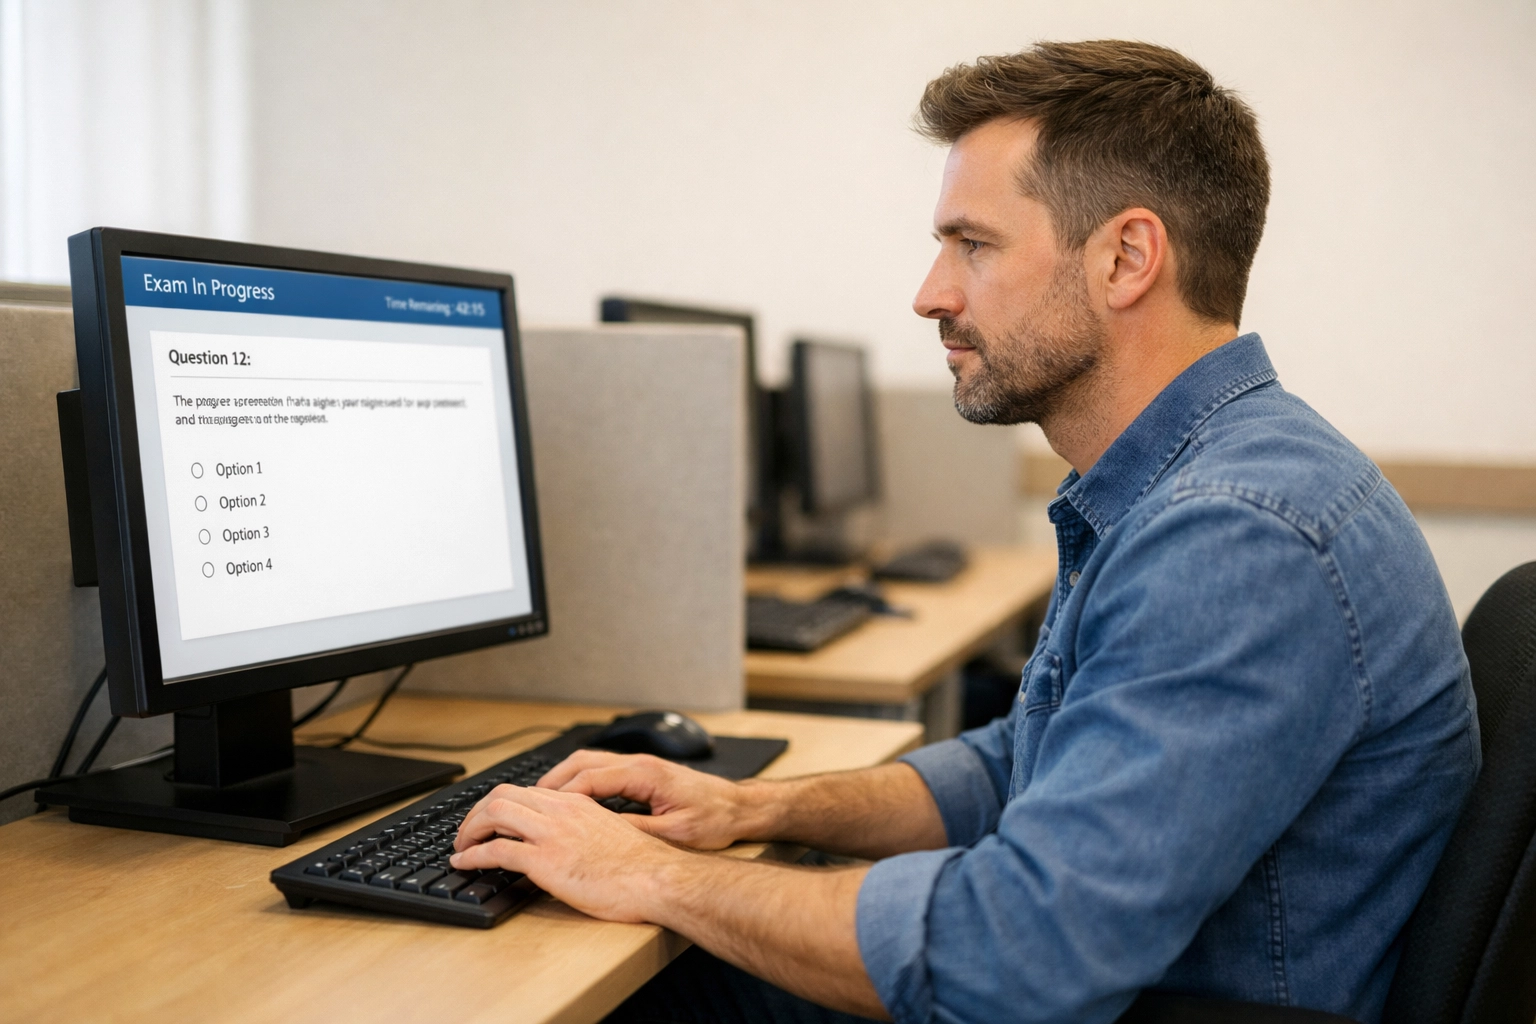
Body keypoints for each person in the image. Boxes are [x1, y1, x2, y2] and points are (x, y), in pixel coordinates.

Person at [449, 41, 1478, 1024]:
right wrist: (750, 813)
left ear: (1126, 257)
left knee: (617, 990)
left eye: (972, 245)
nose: (930, 293)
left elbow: (1011, 959)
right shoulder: (1200, 480)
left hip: (1135, 1003)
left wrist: (650, 871)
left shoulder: (1237, 537)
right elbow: (1020, 764)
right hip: (1143, 986)